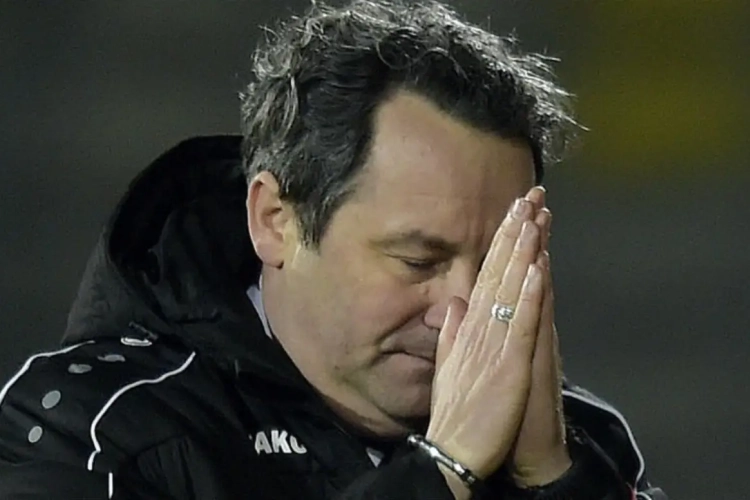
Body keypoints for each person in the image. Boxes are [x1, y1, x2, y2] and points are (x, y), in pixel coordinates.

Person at [0, 1, 667, 498]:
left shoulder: (577, 442)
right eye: (418, 261)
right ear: (275, 221)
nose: (460, 315)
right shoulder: (95, 429)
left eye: (497, 267)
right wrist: (444, 470)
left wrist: (555, 479)